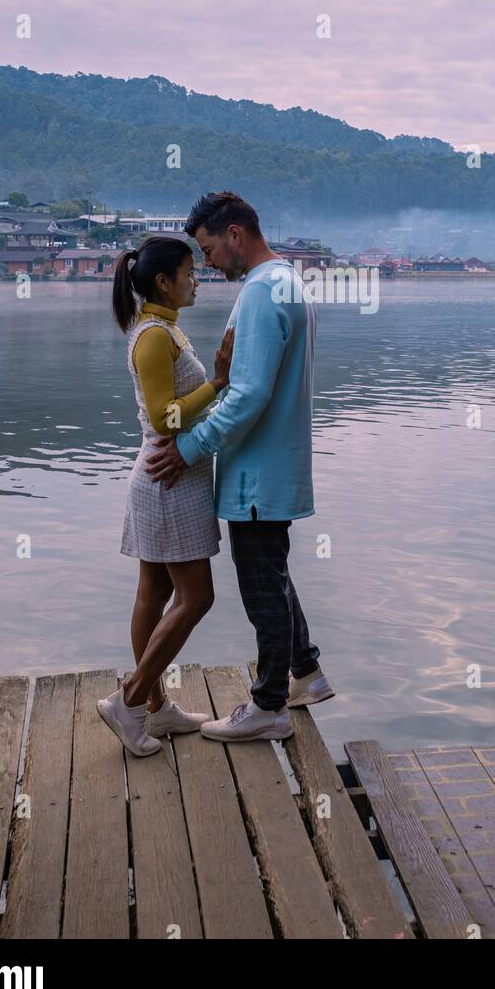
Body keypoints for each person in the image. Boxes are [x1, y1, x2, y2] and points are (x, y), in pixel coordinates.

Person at [146, 192, 334, 742]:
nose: (205, 262)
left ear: (234, 234)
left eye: (208, 249)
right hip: (273, 466)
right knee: (271, 577)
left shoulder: (261, 293)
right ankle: (306, 673)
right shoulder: (284, 281)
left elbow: (248, 394)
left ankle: (269, 706)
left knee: (260, 587)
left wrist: (188, 447)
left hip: (258, 471)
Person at [97, 236, 234, 757]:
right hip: (168, 480)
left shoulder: (163, 329)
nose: (196, 280)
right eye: (189, 272)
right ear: (163, 282)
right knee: (197, 597)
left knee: (153, 593)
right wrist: (218, 383)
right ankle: (129, 701)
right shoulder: (154, 336)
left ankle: (155, 710)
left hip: (167, 476)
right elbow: (165, 418)